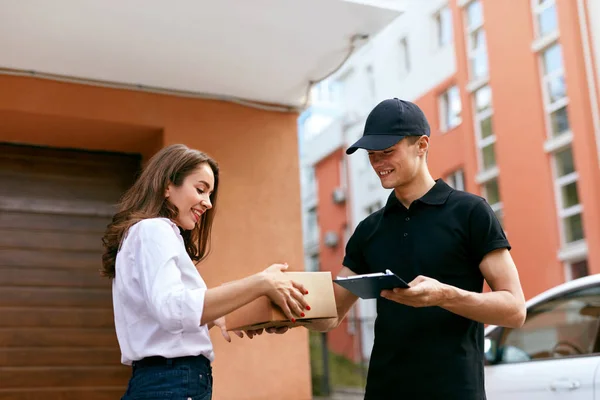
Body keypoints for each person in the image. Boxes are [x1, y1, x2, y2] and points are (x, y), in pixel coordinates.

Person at [258, 98, 526, 399]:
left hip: (454, 390)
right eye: (372, 156)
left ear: (422, 145)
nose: (378, 164)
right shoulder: (369, 230)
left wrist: (446, 295)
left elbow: (515, 310)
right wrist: (289, 315)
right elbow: (332, 313)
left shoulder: (471, 213)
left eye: (387, 152)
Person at [101, 144, 309, 400]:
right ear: (167, 186)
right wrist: (261, 282)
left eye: (210, 194)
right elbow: (172, 309)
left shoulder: (146, 234)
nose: (208, 203)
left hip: (167, 382)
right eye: (200, 189)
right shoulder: (154, 230)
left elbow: (164, 319)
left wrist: (223, 316)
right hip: (173, 383)